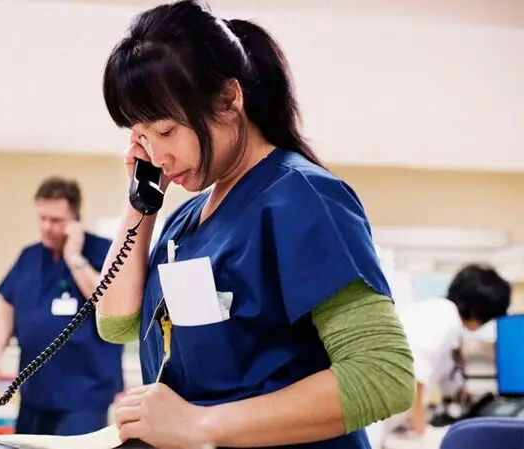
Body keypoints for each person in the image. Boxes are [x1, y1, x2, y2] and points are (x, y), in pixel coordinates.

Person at [93, 1, 417, 448]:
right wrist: (141, 202)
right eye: (141, 137)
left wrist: (199, 424)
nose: (158, 154)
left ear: (228, 100)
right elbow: (116, 322)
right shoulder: (186, 221)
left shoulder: (302, 198)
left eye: (166, 131)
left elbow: (382, 374)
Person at [0, 177, 124, 436]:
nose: (46, 227)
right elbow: (6, 310)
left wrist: (73, 257)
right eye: (42, 218)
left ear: (75, 220)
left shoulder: (104, 251)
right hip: (34, 395)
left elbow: (110, 304)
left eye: (56, 220)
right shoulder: (29, 257)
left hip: (85, 399)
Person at [365, 264, 511, 448]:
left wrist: (461, 393)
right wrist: (423, 432)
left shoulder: (439, 314)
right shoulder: (444, 318)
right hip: (373, 422)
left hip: (378, 417)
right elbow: (414, 378)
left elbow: (443, 372)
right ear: (481, 311)